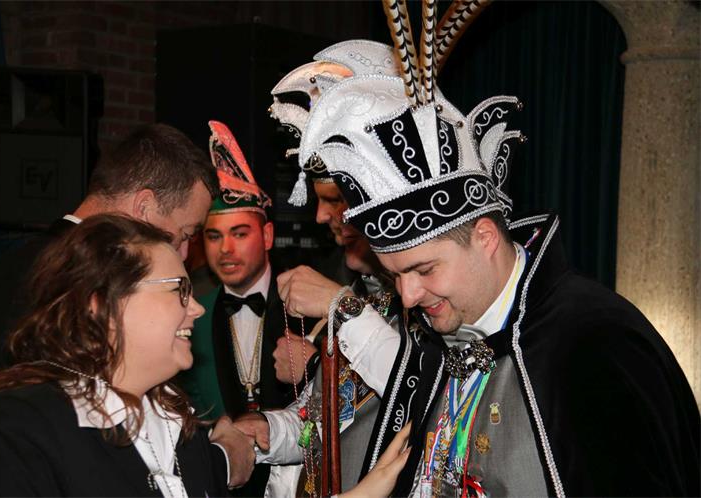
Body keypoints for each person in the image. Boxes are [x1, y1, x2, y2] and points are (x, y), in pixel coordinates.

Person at [285, 32, 701, 497]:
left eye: (424, 270)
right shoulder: (435, 334)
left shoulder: (593, 346)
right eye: (396, 274)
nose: (408, 296)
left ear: (484, 237)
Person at [0, 214, 254, 496]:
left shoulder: (179, 422)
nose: (197, 309)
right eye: (179, 290)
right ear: (101, 305)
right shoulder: (16, 431)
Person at [234, 51, 408, 497]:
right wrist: (270, 431)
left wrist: (339, 309)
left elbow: (420, 389)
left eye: (335, 200)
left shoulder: (423, 298)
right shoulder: (364, 290)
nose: (320, 216)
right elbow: (324, 421)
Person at [0, 123, 219, 395]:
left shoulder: (23, 266)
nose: (183, 253)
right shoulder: (61, 285)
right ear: (144, 208)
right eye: (185, 234)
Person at [177, 121, 311, 497]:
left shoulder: (309, 308)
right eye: (214, 236)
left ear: (266, 236)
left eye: (240, 233)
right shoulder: (189, 316)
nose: (226, 249)